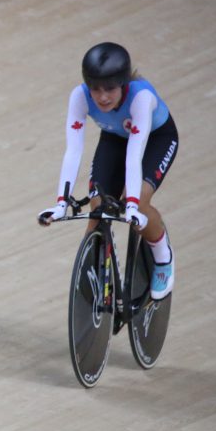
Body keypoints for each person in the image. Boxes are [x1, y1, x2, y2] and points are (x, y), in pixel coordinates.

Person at [41, 42, 179, 299]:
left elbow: (134, 156)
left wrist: (132, 205)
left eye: (110, 89)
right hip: (115, 138)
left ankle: (163, 258)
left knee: (136, 201)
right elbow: (73, 151)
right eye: (95, 89)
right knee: (97, 206)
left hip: (155, 140)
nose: (102, 97)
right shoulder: (79, 96)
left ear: (123, 84)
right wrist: (61, 203)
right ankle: (99, 267)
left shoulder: (141, 98)